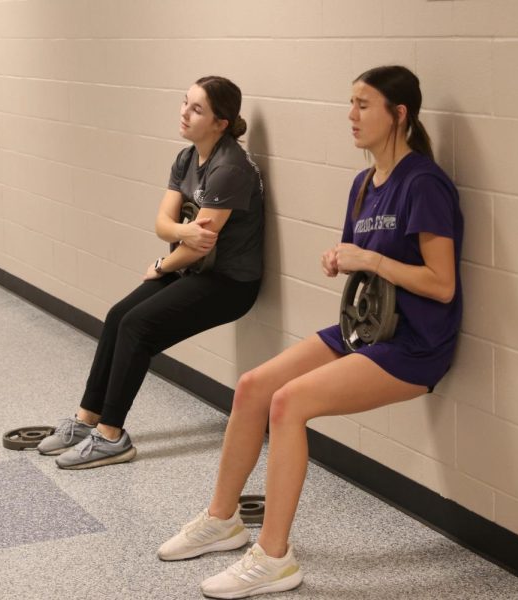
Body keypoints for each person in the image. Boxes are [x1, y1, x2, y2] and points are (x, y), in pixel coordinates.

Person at [158, 65, 463, 598]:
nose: (351, 116)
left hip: (415, 344)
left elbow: (441, 284)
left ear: (400, 115)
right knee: (254, 386)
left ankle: (274, 558)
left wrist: (367, 256)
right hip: (365, 330)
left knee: (289, 403)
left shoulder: (425, 183)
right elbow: (372, 262)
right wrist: (343, 259)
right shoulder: (363, 184)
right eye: (351, 103)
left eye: (363, 105)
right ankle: (222, 520)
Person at [36, 75, 264, 470]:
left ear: (221, 122)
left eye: (197, 109)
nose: (185, 113)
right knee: (117, 316)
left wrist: (162, 263)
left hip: (229, 282)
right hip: (192, 268)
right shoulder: (186, 158)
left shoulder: (230, 169)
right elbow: (163, 223)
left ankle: (111, 437)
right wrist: (178, 236)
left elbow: (199, 245)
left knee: (137, 326)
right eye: (184, 103)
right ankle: (87, 418)